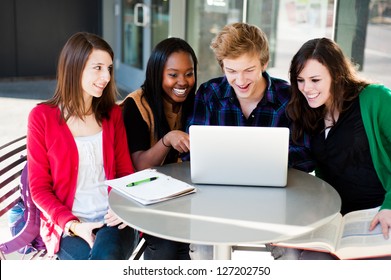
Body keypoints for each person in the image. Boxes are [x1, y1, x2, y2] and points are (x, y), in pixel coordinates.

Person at [272, 37, 391, 260]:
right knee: (309, 262)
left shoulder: (376, 99)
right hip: (335, 219)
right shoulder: (309, 112)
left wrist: (390, 206)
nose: (306, 88)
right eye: (300, 80)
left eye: (315, 80)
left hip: (379, 213)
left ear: (336, 75)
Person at [27, 32, 138, 260]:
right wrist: (74, 225)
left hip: (112, 218)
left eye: (109, 68)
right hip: (69, 224)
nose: (106, 76)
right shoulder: (42, 117)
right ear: (74, 67)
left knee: (105, 259)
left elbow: (125, 173)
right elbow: (39, 188)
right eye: (97, 68)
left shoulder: (112, 115)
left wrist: (122, 209)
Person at [185, 22, 314, 172]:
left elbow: (307, 156)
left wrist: (257, 161)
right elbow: (190, 151)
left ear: (264, 64)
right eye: (232, 71)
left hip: (273, 187)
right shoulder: (209, 94)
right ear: (222, 67)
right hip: (219, 183)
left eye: (249, 70)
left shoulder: (289, 97)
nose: (240, 80)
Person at [121, 37, 198, 260]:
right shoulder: (136, 105)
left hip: (186, 197)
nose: (183, 82)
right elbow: (138, 165)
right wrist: (167, 140)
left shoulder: (196, 101)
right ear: (157, 74)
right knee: (170, 247)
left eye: (189, 73)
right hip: (148, 199)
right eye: (173, 75)